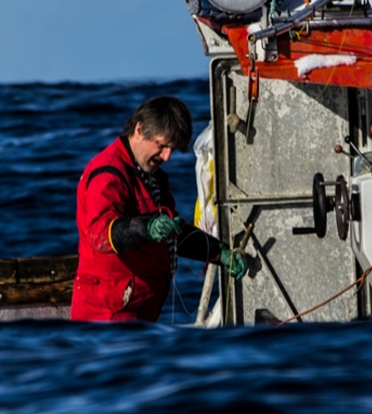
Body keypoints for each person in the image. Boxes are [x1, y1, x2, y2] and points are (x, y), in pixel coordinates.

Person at [73, 96, 248, 322]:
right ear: (139, 130)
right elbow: (100, 234)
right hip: (107, 313)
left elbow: (172, 231)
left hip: (141, 309)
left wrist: (219, 252)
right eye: (162, 145)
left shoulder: (151, 175)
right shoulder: (108, 174)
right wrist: (147, 228)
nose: (167, 156)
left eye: (171, 149)